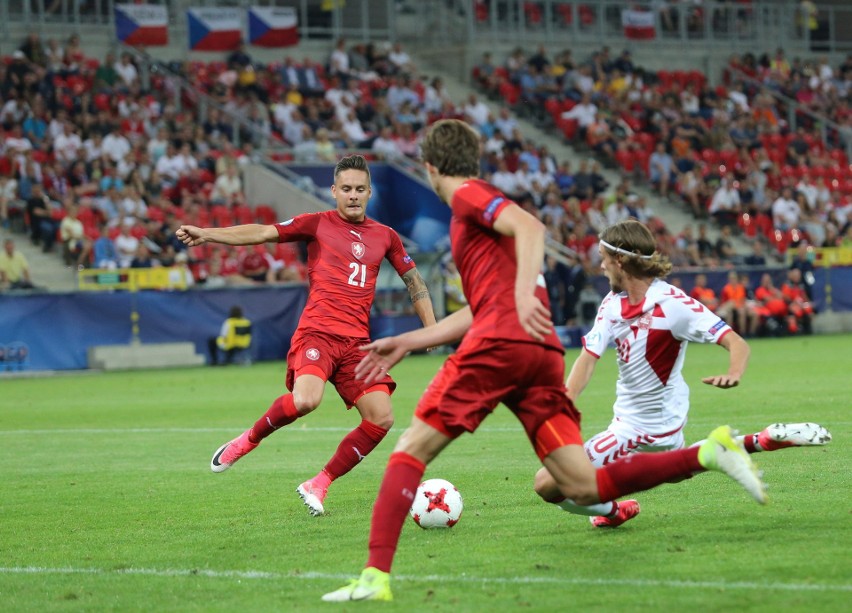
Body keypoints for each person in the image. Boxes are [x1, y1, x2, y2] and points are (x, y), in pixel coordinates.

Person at [322, 120, 769, 603]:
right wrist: (414, 339)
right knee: (578, 484)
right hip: (537, 356)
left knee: (410, 448)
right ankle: (707, 453)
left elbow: (530, 226)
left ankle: (375, 577)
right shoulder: (477, 215)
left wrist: (517, 298)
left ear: (430, 166)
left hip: (499, 348)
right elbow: (478, 306)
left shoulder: (468, 197)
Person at [176, 154, 437, 516]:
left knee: (382, 417)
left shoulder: (386, 236)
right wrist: (208, 234)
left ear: (369, 192)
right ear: (333, 191)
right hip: (318, 333)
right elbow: (262, 232)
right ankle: (247, 440)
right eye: (346, 189)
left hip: (357, 345)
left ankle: (320, 483)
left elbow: (415, 281)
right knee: (306, 401)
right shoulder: (316, 224)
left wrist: (432, 330)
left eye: (360, 189)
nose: (353, 195)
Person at [532, 222, 831, 528]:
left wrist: (734, 372)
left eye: (603, 257)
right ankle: (760, 440)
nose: (601, 265)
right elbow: (587, 358)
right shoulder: (611, 304)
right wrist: (566, 401)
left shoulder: (674, 305)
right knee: (678, 468)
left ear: (620, 260)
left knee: (546, 483)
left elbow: (735, 342)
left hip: (640, 429)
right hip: (661, 425)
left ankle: (614, 512)